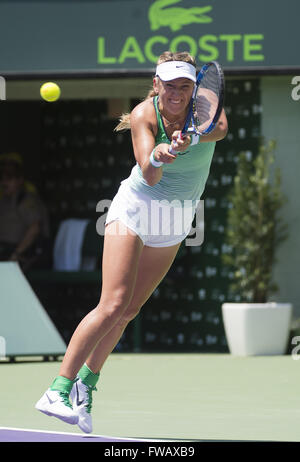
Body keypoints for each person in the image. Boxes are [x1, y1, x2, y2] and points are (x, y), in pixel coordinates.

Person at [35, 51, 228, 433]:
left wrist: (190, 136)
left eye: (184, 85)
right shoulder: (144, 114)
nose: (177, 92)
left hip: (175, 219)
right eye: (169, 85)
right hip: (137, 208)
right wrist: (161, 152)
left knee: (129, 312)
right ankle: (57, 389)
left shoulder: (204, 103)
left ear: (194, 87)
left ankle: (85, 387)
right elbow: (150, 176)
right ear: (156, 85)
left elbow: (219, 128)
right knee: (112, 304)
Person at [0, 153, 50, 271]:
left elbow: (35, 228)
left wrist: (16, 254)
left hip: (22, 253)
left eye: (9, 178)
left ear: (20, 180)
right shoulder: (4, 199)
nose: (4, 182)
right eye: (2, 178)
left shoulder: (26, 199)